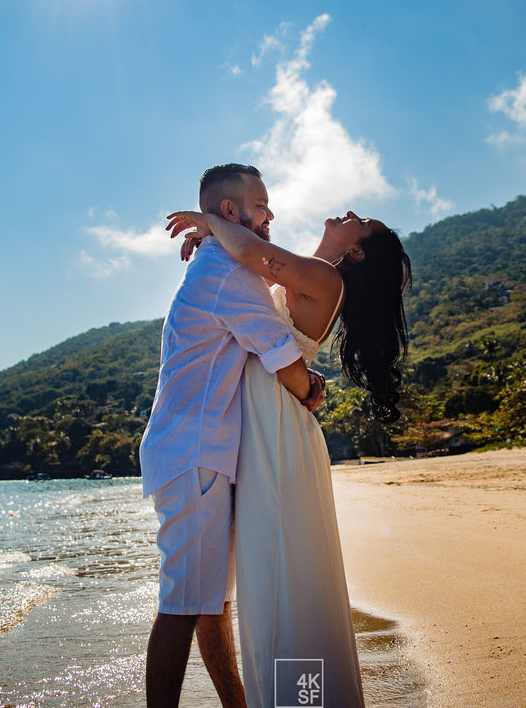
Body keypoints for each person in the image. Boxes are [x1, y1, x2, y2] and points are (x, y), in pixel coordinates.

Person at [166, 204, 411, 708]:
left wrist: (212, 223)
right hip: (265, 428)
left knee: (288, 586)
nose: (349, 213)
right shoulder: (309, 269)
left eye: (361, 221)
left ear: (357, 250)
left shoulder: (320, 277)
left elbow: (252, 251)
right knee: (275, 580)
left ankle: (306, 700)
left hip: (276, 433)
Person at [140, 164, 326, 708]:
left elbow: (273, 270)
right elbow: (285, 360)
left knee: (207, 602)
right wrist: (311, 390)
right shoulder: (227, 275)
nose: (270, 214)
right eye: (261, 204)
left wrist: (209, 227)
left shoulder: (222, 265)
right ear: (231, 211)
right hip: (195, 455)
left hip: (195, 452)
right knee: (183, 605)